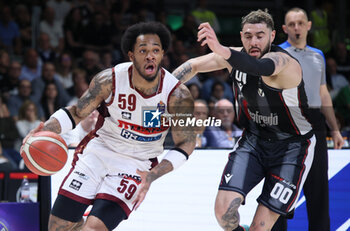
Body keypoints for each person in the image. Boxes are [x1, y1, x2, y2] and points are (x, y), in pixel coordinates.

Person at [22, 21, 195, 231]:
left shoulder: (178, 95)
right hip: (99, 152)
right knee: (58, 227)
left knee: (93, 229)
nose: (150, 56)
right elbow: (78, 112)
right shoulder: (109, 80)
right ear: (131, 56)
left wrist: (153, 175)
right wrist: (45, 130)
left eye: (155, 50)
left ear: (162, 54)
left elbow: (186, 142)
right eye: (143, 51)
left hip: (136, 164)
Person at [172, 9, 316, 231]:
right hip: (254, 141)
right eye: (248, 36)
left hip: (293, 147)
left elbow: (259, 68)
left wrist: (221, 49)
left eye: (260, 35)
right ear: (241, 37)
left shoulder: (285, 63)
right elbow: (194, 65)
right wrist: (161, 91)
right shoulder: (234, 56)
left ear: (272, 36)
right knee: (223, 213)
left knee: (260, 227)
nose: (254, 41)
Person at [273, 8, 344, 231]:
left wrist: (335, 129)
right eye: (291, 24)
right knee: (280, 185)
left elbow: (323, 93)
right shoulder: (276, 54)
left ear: (308, 25)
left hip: (315, 123)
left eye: (300, 23)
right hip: (286, 122)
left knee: (318, 186)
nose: (296, 28)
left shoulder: (318, 55)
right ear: (284, 28)